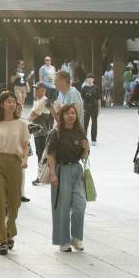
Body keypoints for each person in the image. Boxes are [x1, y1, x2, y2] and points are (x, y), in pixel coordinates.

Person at [0, 90, 31, 254]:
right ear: (2, 105)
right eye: (8, 101)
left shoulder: (22, 124)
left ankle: (9, 231)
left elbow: (25, 145)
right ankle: (2, 239)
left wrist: (25, 160)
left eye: (14, 101)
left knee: (14, 202)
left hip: (15, 162)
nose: (12, 104)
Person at [46, 102, 90, 252]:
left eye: (73, 113)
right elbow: (51, 155)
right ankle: (63, 240)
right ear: (62, 116)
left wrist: (86, 149)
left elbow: (84, 157)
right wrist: (52, 174)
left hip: (77, 169)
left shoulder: (80, 132)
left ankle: (76, 238)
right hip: (61, 170)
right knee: (62, 207)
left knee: (80, 205)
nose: (71, 115)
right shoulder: (56, 132)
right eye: (67, 113)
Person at [27, 88, 55, 184]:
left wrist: (28, 120)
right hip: (38, 132)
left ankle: (41, 177)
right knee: (40, 154)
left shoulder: (44, 100)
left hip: (41, 132)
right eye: (35, 89)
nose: (35, 91)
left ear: (43, 90)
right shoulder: (38, 100)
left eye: (37, 89)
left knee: (42, 155)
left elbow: (34, 113)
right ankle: (42, 176)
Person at [82, 72, 102, 143]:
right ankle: (84, 138)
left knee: (94, 123)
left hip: (94, 107)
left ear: (93, 79)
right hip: (86, 107)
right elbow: (82, 100)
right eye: (88, 78)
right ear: (86, 80)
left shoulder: (96, 88)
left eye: (91, 78)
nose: (90, 80)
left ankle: (94, 139)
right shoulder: (84, 88)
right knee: (85, 124)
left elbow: (99, 99)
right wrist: (82, 108)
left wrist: (99, 108)